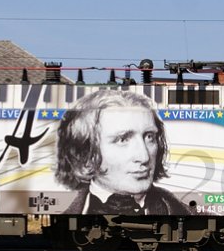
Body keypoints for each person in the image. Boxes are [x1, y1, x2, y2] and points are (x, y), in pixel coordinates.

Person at [55, 89, 192, 216]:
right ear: (85, 154)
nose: (143, 157)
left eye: (149, 137)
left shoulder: (191, 214)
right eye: (122, 139)